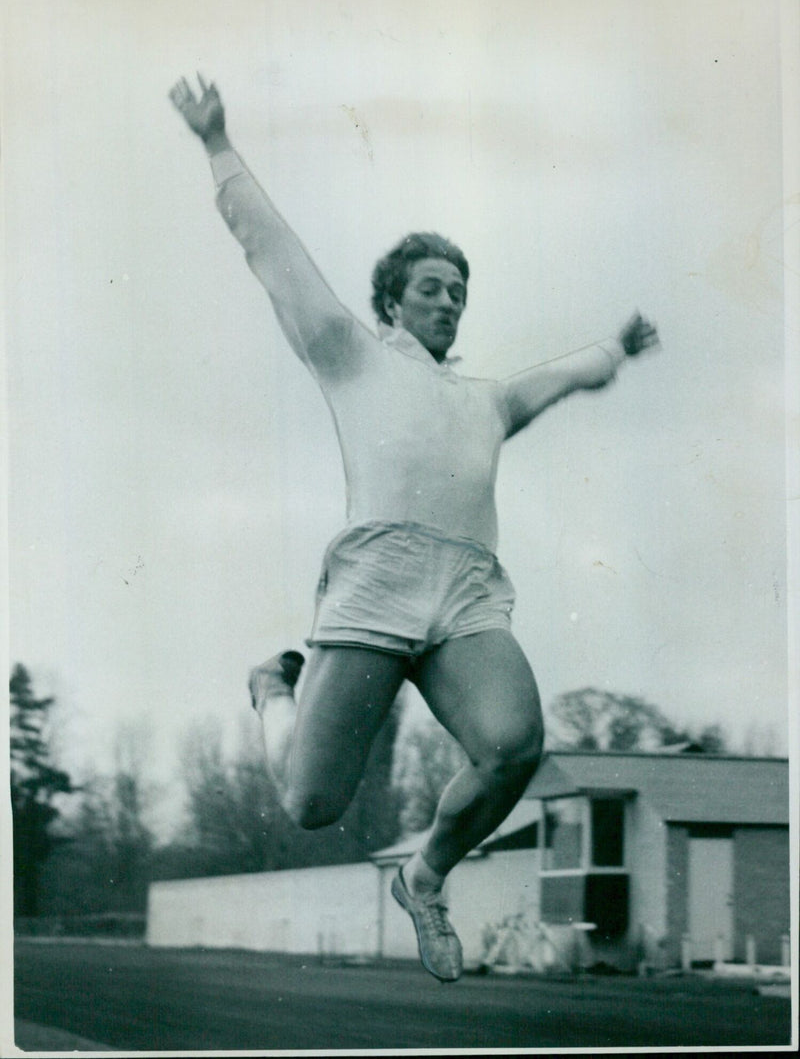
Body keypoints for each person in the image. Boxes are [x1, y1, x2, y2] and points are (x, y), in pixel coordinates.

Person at [169, 74, 659, 983]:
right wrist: (217, 143)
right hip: (377, 580)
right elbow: (276, 253)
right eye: (432, 288)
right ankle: (271, 695)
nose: (449, 302)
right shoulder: (352, 356)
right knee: (312, 802)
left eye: (460, 292)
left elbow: (561, 378)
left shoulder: (485, 401)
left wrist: (615, 351)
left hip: (465, 589)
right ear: (393, 300)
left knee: (516, 744)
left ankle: (426, 880)